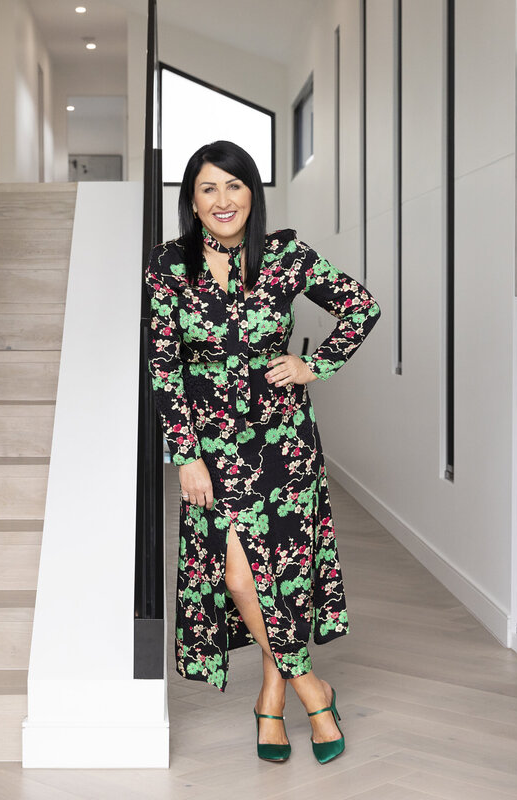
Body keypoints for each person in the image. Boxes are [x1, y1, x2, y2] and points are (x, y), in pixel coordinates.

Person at [145, 140, 380, 765]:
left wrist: (313, 365)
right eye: (208, 189)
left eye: (235, 186)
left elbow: (362, 307)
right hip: (210, 445)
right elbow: (163, 365)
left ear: (253, 193)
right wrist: (184, 456)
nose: (223, 200)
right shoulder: (169, 265)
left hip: (282, 439)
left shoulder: (283, 255)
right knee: (237, 573)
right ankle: (310, 686)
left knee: (286, 569)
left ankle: (271, 696)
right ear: (191, 202)